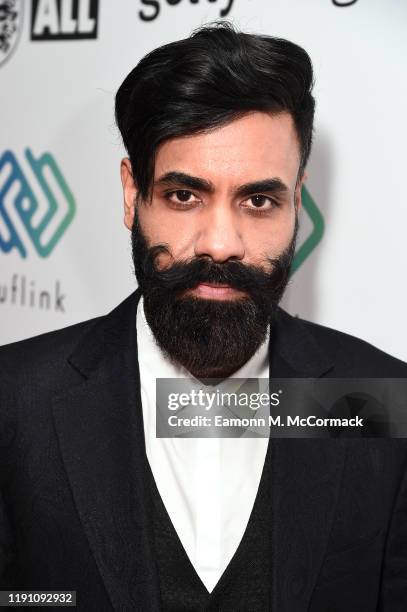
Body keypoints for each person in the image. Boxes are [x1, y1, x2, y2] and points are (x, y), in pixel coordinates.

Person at [1, 20, 406, 612]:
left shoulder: (382, 404)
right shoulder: (15, 401)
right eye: (184, 195)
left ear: (298, 200)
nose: (221, 244)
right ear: (129, 193)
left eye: (258, 200)